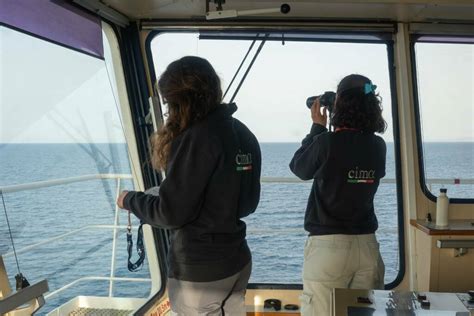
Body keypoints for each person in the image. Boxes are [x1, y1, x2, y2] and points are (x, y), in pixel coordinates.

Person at [116, 56, 261, 315]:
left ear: (179, 101)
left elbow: (170, 213)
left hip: (201, 273)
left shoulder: (196, 137)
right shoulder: (243, 133)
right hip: (237, 262)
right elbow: (247, 203)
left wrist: (130, 200)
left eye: (167, 102)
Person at [290, 74, 387, 316]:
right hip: (367, 247)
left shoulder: (326, 143)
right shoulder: (378, 146)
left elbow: (299, 168)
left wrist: (317, 127)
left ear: (339, 106)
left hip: (328, 248)